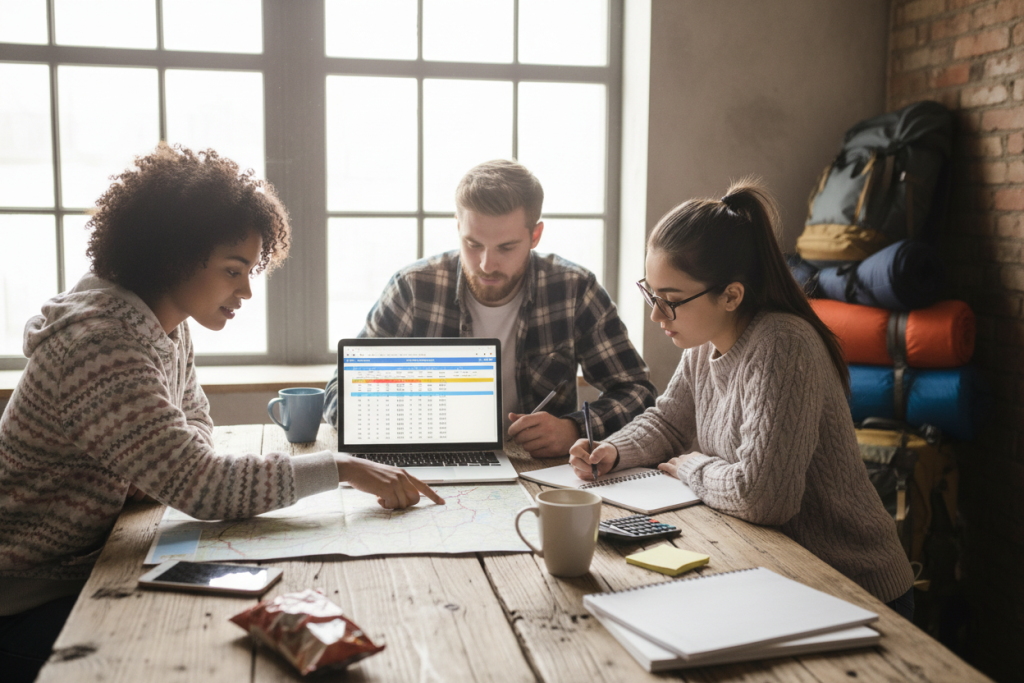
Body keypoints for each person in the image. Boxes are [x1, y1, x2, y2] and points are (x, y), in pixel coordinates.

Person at [0, 144, 443, 683]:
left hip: (94, 561)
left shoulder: (165, 324)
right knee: (226, 655)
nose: (247, 290)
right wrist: (343, 468)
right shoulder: (102, 345)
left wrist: (162, 468)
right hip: (29, 596)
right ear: (173, 253)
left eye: (251, 270)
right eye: (234, 270)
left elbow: (197, 433)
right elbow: (204, 484)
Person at [569, 180, 916, 619]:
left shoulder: (783, 346)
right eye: (652, 294)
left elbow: (764, 496)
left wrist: (692, 465)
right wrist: (613, 450)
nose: (656, 314)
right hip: (781, 572)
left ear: (731, 295)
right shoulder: (702, 340)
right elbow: (670, 422)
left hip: (854, 588)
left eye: (670, 301)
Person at [324, 159, 656, 458]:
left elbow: (638, 393)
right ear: (458, 226)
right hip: (429, 458)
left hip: (537, 469)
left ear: (535, 235)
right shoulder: (413, 288)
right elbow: (338, 397)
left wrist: (574, 428)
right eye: (473, 244)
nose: (486, 264)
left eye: (506, 247)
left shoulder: (574, 289)